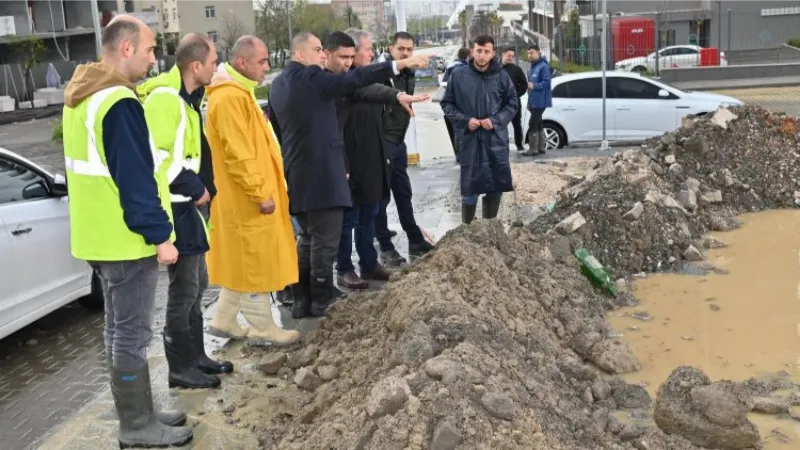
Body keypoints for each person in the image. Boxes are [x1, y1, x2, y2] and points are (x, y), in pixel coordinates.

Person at [62, 15, 192, 448]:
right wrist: (161, 237)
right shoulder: (117, 102)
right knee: (132, 334)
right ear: (127, 48)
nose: (157, 57)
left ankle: (140, 414)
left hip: (99, 236)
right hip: (125, 239)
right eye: (152, 49)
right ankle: (136, 426)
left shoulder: (83, 97)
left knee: (118, 331)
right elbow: (134, 179)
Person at [268, 32, 428, 318]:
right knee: (325, 239)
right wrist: (397, 66)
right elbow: (354, 81)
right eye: (317, 49)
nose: (321, 54)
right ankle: (321, 296)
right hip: (322, 173)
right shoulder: (311, 79)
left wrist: (396, 95)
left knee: (308, 237)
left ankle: (303, 298)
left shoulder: (280, 84)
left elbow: (281, 131)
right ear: (301, 54)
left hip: (299, 170)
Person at [138, 33, 232, 390]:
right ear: (196, 65)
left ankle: (196, 357)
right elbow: (159, 156)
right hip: (179, 208)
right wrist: (196, 188)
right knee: (184, 289)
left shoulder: (188, 99)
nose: (216, 67)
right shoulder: (168, 100)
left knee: (197, 284)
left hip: (191, 208)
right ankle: (180, 368)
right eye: (213, 61)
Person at [204, 35, 301, 347]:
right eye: (261, 61)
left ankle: (224, 319)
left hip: (244, 197)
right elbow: (239, 153)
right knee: (255, 261)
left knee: (243, 261)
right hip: (247, 199)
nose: (267, 66)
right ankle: (262, 327)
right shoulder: (230, 98)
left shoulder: (236, 94)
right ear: (241, 63)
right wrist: (261, 192)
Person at [334, 29, 430, 288]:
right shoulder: (344, 81)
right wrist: (397, 94)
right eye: (366, 49)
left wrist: (397, 96)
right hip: (351, 159)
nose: (370, 53)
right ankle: (344, 267)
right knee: (350, 217)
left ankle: (369, 264)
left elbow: (376, 89)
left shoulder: (366, 80)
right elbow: (368, 90)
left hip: (374, 154)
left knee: (372, 210)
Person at [441, 35, 517, 224]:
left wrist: (496, 120)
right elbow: (447, 104)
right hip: (470, 140)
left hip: (495, 141)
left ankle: (489, 230)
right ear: (472, 51)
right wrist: (466, 121)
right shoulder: (458, 75)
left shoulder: (501, 75)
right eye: (478, 51)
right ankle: (467, 232)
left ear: (493, 53)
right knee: (470, 191)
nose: (482, 56)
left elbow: (512, 104)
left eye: (486, 52)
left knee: (495, 187)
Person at [375, 31, 435, 267]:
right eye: (401, 49)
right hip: (383, 142)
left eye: (409, 50)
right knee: (381, 197)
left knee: (404, 192)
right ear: (391, 49)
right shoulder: (381, 73)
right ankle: (385, 247)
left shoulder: (409, 72)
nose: (406, 53)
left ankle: (414, 239)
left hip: (398, 142)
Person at [522, 44, 552, 157]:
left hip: (540, 100)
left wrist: (533, 85)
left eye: (532, 52)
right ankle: (541, 148)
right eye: (528, 53)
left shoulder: (543, 66)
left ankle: (533, 149)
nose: (530, 55)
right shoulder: (534, 66)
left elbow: (546, 82)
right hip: (534, 100)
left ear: (539, 52)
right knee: (538, 123)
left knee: (532, 123)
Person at [442, 47, 470, 161]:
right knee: (462, 131)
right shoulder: (463, 69)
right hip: (461, 104)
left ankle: (458, 155)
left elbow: (444, 82)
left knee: (456, 130)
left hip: (451, 103)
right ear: (467, 56)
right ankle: (462, 156)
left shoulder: (450, 67)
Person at [500, 47, 529, 151]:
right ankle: (503, 147)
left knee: (517, 125)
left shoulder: (516, 69)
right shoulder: (495, 68)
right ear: (503, 54)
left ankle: (519, 146)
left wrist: (516, 94)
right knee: (501, 126)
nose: (510, 58)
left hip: (514, 103)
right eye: (509, 55)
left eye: (512, 56)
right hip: (500, 104)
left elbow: (524, 84)